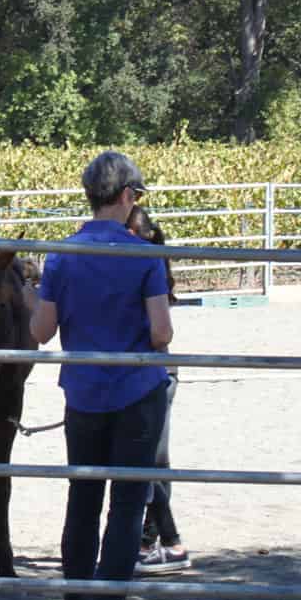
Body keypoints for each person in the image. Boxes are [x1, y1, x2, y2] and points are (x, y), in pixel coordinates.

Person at [31, 150, 173, 600]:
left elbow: (42, 330)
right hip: (135, 393)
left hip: (83, 394)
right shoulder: (144, 255)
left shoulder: (61, 255)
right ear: (128, 196)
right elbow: (161, 332)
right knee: (127, 506)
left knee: (83, 500)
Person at [126, 206, 191, 575]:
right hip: (146, 370)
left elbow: (160, 332)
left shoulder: (148, 268)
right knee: (148, 459)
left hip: (154, 370)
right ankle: (153, 540)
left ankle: (170, 541)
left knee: (153, 460)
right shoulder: (148, 266)